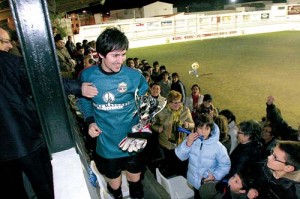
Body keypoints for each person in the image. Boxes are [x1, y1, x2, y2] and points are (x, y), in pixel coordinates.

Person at [77, 27, 148, 199]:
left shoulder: (134, 76)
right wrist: (90, 121)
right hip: (107, 143)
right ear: (100, 54)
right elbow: (84, 100)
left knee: (135, 181)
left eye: (123, 54)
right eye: (115, 55)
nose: (120, 60)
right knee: (115, 186)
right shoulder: (87, 75)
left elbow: (145, 103)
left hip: (132, 141)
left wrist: (144, 123)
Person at [0, 27, 54, 199]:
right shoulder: (12, 63)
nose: (10, 46)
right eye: (6, 41)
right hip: (26, 141)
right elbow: (45, 84)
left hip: (5, 152)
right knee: (45, 188)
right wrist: (78, 87)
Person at [175, 114, 231, 199]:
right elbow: (180, 156)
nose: (203, 132)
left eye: (207, 128)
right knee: (197, 196)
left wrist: (215, 176)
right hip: (193, 180)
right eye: (200, 128)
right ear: (196, 128)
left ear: (211, 129)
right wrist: (188, 143)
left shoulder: (218, 147)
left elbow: (225, 165)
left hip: (207, 185)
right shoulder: (191, 139)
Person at [151, 90, 194, 177]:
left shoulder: (185, 110)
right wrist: (157, 128)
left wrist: (188, 124)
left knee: (179, 164)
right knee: (168, 163)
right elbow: (152, 123)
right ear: (168, 102)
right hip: (166, 144)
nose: (178, 105)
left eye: (179, 102)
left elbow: (193, 125)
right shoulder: (161, 111)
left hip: (180, 144)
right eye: (175, 103)